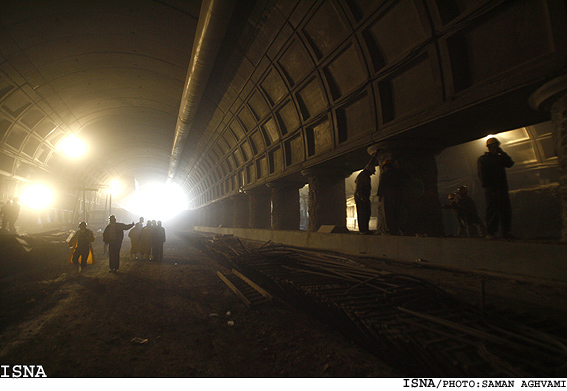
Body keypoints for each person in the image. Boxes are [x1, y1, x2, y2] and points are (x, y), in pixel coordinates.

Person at [478, 137, 515, 239]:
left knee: (505, 211)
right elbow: (482, 175)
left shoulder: (500, 158)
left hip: (502, 189)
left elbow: (510, 163)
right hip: (492, 190)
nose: (496, 148)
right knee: (492, 211)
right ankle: (491, 233)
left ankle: (506, 232)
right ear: (489, 147)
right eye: (494, 146)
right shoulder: (483, 159)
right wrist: (488, 187)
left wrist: (502, 153)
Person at [376, 160, 409, 235]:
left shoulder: (385, 174)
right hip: (398, 195)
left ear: (385, 167)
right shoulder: (398, 173)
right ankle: (399, 229)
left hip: (388, 196)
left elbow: (381, 186)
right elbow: (407, 177)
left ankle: (390, 230)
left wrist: (380, 196)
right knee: (398, 212)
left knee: (388, 213)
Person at [354, 161, 376, 234]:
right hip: (361, 198)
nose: (371, 174)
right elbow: (358, 190)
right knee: (363, 214)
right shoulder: (362, 176)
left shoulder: (365, 176)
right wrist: (362, 198)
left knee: (366, 213)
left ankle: (365, 229)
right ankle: (363, 230)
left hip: (364, 197)